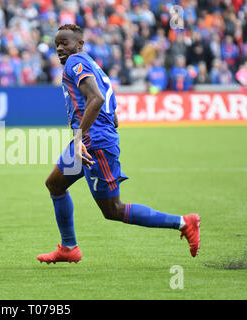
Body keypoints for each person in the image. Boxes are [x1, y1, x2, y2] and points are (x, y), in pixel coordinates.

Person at [36, 25, 201, 264]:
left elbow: (97, 98)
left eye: (65, 43)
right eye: (57, 45)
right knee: (55, 184)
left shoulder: (75, 62)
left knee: (113, 210)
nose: (60, 48)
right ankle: (69, 247)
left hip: (93, 143)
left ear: (79, 44)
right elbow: (112, 114)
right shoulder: (93, 65)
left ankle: (184, 223)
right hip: (89, 141)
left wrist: (80, 137)